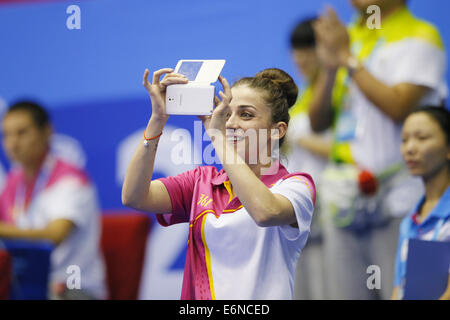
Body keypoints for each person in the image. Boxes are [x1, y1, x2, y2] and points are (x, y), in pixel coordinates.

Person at [122, 67, 316, 299]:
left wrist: (217, 136)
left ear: (277, 131)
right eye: (226, 114)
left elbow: (265, 212)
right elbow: (134, 196)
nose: (231, 123)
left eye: (246, 115)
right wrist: (157, 120)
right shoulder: (201, 182)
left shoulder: (295, 186)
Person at [310, 0, 447, 299]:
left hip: (401, 200)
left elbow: (398, 107)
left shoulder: (420, 36)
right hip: (345, 198)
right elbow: (318, 122)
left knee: (410, 294)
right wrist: (331, 69)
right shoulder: (349, 36)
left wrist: (348, 58)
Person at [0, 101, 106, 300]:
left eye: (22, 133)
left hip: (71, 289)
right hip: (25, 285)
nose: (12, 144)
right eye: (6, 135)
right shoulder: (13, 182)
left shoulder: (71, 179)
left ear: (47, 131)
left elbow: (53, 236)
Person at [392, 106, 450, 300]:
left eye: (422, 138)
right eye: (404, 140)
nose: (410, 148)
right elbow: (399, 289)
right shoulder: (409, 223)